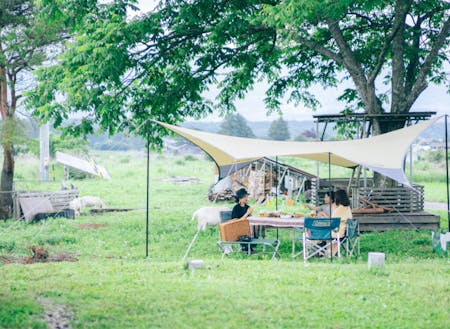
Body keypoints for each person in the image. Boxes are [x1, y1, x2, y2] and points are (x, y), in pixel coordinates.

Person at [329, 189, 352, 255]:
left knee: (317, 231)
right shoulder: (347, 208)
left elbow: (332, 221)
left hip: (337, 233)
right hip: (346, 232)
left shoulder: (339, 209)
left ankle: (320, 252)